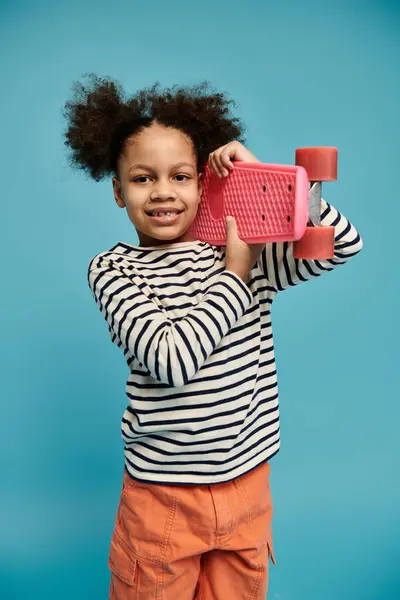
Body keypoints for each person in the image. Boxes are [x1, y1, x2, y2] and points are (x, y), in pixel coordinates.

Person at [63, 74, 363, 600]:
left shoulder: (243, 249)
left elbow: (340, 245)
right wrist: (235, 277)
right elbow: (173, 360)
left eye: (180, 176)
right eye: (142, 179)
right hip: (163, 498)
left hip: (247, 485)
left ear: (204, 183)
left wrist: (270, 182)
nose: (163, 192)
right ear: (117, 190)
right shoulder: (114, 270)